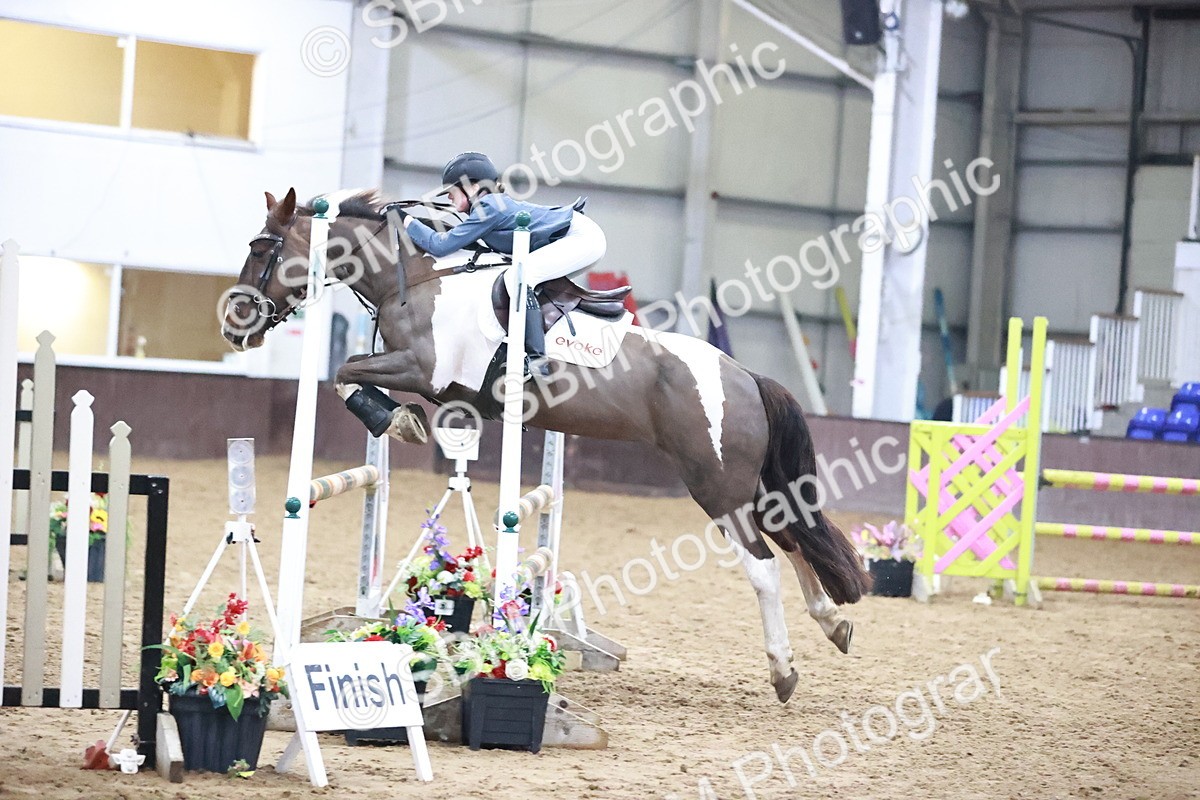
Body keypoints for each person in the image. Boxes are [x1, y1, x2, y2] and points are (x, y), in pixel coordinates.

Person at [399, 152, 607, 375]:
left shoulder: (488, 206)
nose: (448, 198)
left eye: (451, 191)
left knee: (519, 277)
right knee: (521, 277)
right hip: (580, 236)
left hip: (582, 237)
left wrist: (404, 219)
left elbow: (439, 245)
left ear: (470, 186)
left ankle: (537, 361)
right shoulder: (488, 206)